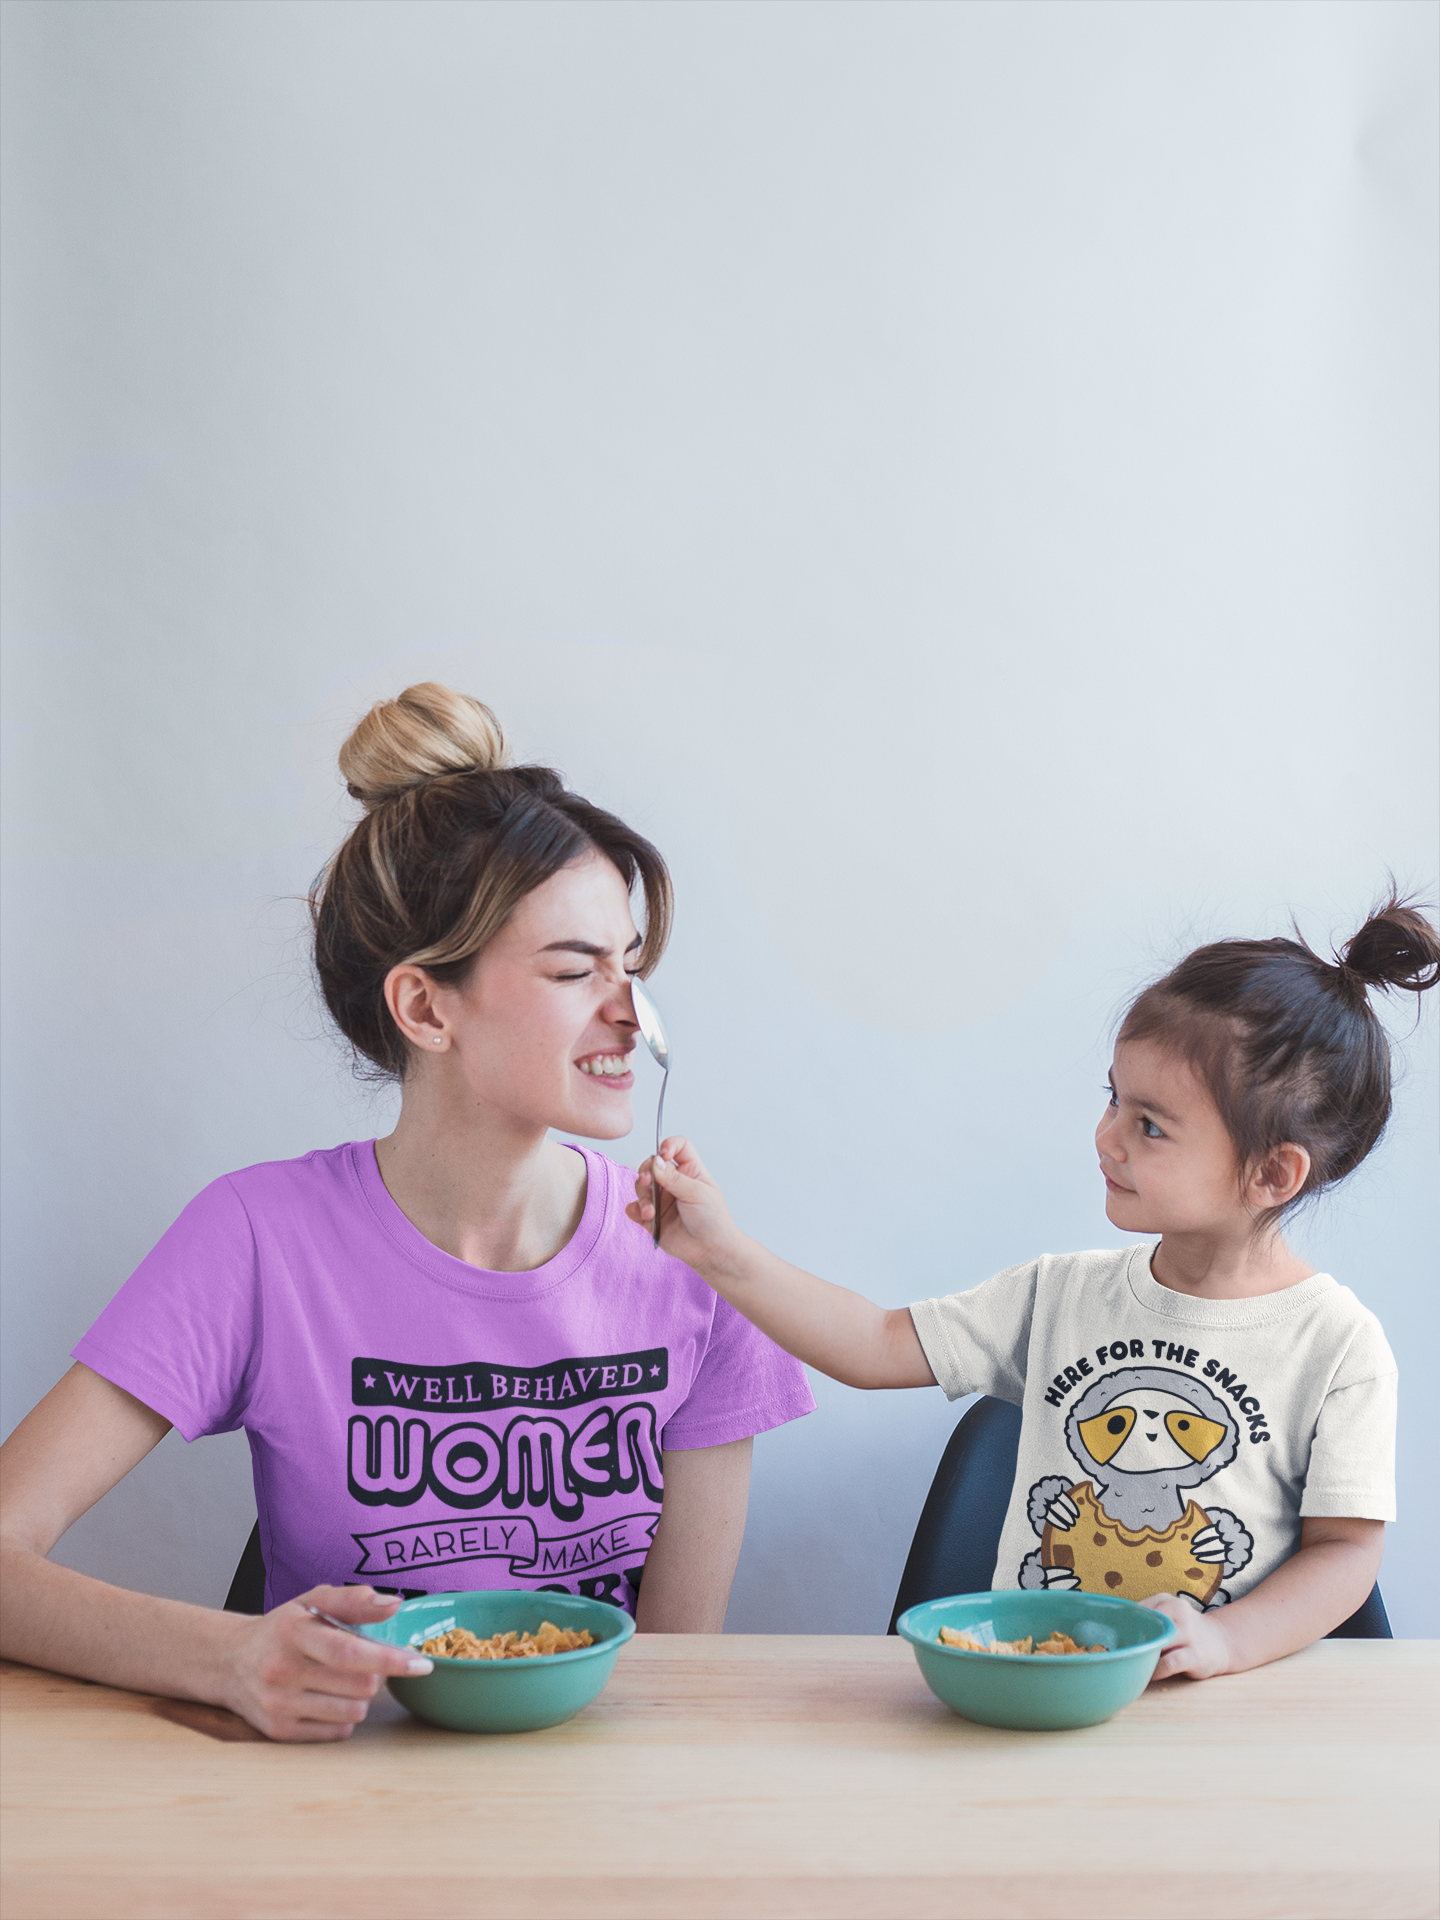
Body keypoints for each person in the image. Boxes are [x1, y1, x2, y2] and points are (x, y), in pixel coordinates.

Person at [0, 683, 814, 1740]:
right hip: (331, 1807)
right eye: (577, 969)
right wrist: (232, 1654)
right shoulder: (257, 1239)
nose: (631, 1011)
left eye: (634, 966)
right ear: (427, 1005)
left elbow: (668, 1680)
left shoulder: (702, 1263)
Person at [631, 897, 1439, 1679]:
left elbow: (1345, 1555)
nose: (1107, 1137)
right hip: (1041, 1692)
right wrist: (718, 1251)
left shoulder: (1338, 1345)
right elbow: (875, 1345)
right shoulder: (1058, 1295)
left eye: (1149, 1125)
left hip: (1211, 1722)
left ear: (1272, 1173)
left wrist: (1222, 1643)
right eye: (1113, 1099)